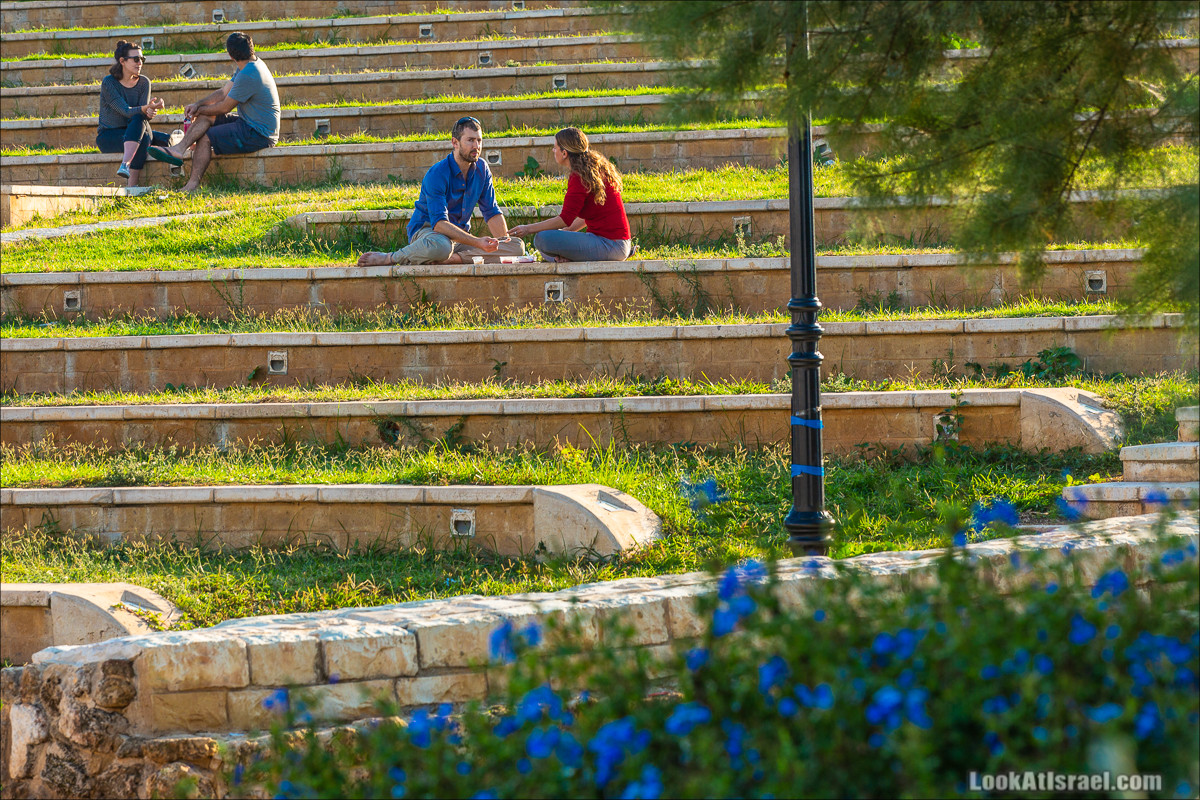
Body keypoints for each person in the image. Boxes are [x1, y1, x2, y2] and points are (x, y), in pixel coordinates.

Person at [357, 117, 526, 266]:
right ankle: (390, 258)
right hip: (430, 233)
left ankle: (454, 259)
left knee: (517, 247)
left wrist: (503, 243)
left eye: (479, 141)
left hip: (459, 238)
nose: (476, 146)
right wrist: (477, 242)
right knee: (441, 246)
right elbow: (439, 224)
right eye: (470, 140)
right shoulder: (437, 173)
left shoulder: (482, 169)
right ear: (455, 142)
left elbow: (491, 212)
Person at [149, 32, 279, 192]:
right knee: (207, 115)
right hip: (249, 123)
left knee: (206, 138)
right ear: (250, 48)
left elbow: (225, 107)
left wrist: (198, 110)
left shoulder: (249, 74)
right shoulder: (249, 65)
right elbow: (223, 92)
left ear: (231, 55)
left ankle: (192, 185)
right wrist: (198, 105)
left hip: (259, 134)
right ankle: (178, 150)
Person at [506, 127, 633, 262]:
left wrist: (527, 229)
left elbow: (565, 219)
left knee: (541, 239)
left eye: (555, 148)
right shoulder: (593, 170)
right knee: (548, 244)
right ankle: (562, 258)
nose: (553, 151)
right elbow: (584, 218)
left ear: (564, 153)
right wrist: (564, 235)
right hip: (618, 245)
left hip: (610, 246)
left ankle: (562, 258)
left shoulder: (579, 177)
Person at [96, 40, 169, 187]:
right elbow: (125, 110)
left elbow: (142, 115)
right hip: (109, 136)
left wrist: (150, 111)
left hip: (135, 129)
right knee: (146, 140)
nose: (140, 63)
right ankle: (131, 182)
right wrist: (144, 109)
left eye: (142, 59)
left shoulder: (144, 82)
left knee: (167, 139)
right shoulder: (109, 83)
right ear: (122, 61)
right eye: (136, 59)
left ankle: (127, 169)